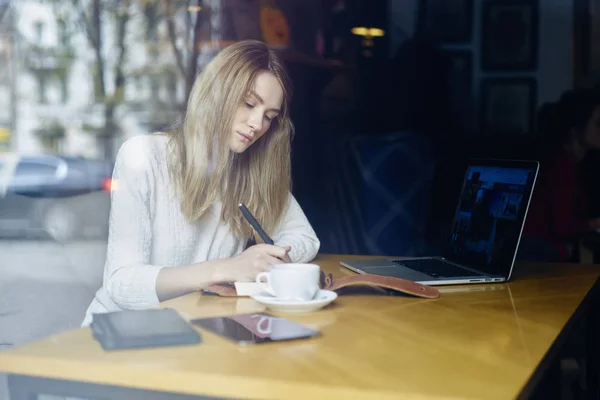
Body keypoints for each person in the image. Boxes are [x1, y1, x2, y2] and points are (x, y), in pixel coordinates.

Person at [81, 40, 320, 326]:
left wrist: (264, 261)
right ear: (217, 93)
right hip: (120, 337)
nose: (257, 124)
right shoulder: (143, 157)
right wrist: (228, 269)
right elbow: (121, 284)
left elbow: (305, 239)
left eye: (269, 117)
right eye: (249, 104)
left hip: (192, 335)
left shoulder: (248, 171)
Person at [520, 88, 600, 262]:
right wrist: (595, 223)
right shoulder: (560, 164)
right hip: (534, 249)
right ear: (576, 126)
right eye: (598, 123)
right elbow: (562, 226)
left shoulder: (580, 164)